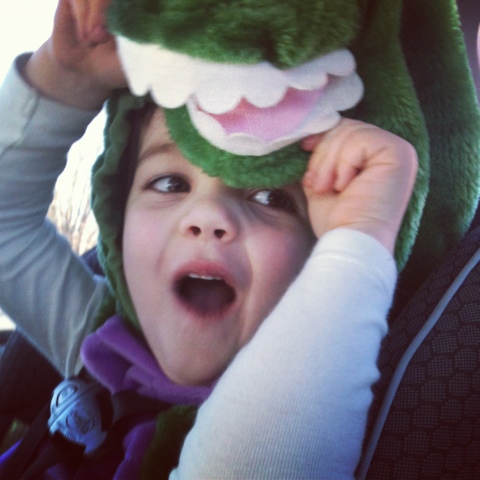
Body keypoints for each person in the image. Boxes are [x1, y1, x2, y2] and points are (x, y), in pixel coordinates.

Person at [0, 0, 417, 478]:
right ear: (118, 221)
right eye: (169, 184)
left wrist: (356, 245)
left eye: (269, 196)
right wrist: (66, 78)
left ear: (315, 255)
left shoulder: (321, 402)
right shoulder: (96, 339)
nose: (208, 216)